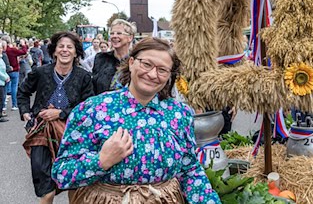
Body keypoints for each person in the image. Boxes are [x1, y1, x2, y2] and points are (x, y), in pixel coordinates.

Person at [52, 38, 221, 204]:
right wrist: (101, 161)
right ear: (131, 63)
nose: (153, 74)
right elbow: (61, 175)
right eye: (146, 64)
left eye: (162, 70)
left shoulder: (179, 114)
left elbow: (190, 170)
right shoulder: (92, 110)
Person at [18, 31, 93, 204]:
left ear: (76, 52)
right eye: (61, 46)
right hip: (41, 133)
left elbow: (87, 106)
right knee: (46, 190)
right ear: (54, 51)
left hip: (71, 135)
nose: (65, 50)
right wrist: (25, 111)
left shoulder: (83, 77)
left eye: (69, 47)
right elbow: (23, 91)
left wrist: (61, 113)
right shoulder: (41, 72)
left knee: (74, 185)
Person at [92, 19, 136, 94]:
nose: (114, 36)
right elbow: (94, 85)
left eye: (119, 33)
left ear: (130, 37)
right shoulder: (101, 58)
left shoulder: (137, 60)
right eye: (112, 33)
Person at [6, 37, 28, 111]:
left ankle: (3, 105)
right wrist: (23, 44)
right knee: (14, 87)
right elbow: (23, 52)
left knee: (5, 88)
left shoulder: (4, 50)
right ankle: (14, 104)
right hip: (14, 70)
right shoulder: (11, 50)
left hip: (5, 70)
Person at [0, 43, 10, 122]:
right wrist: (5, 77)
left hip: (2, 81)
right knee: (1, 98)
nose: (1, 50)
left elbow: (3, 69)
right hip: (1, 82)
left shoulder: (1, 58)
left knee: (2, 98)